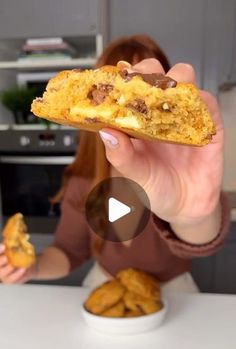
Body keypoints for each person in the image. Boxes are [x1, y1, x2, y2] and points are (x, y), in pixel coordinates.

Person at [0, 34, 231, 291]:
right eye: (121, 80)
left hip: (175, 292)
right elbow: (67, 252)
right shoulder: (83, 179)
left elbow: (202, 240)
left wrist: (191, 217)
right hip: (105, 285)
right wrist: (33, 268)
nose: (132, 93)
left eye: (149, 82)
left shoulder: (179, 172)